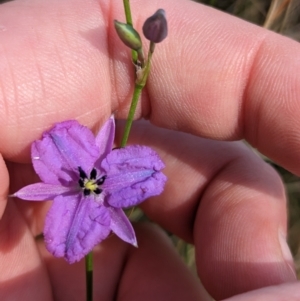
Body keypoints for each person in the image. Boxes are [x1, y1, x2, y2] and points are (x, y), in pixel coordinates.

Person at [0, 0, 299, 300]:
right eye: (90, 183)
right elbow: (57, 140)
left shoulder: (120, 176)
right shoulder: (63, 150)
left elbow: (146, 171)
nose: (90, 184)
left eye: (91, 183)